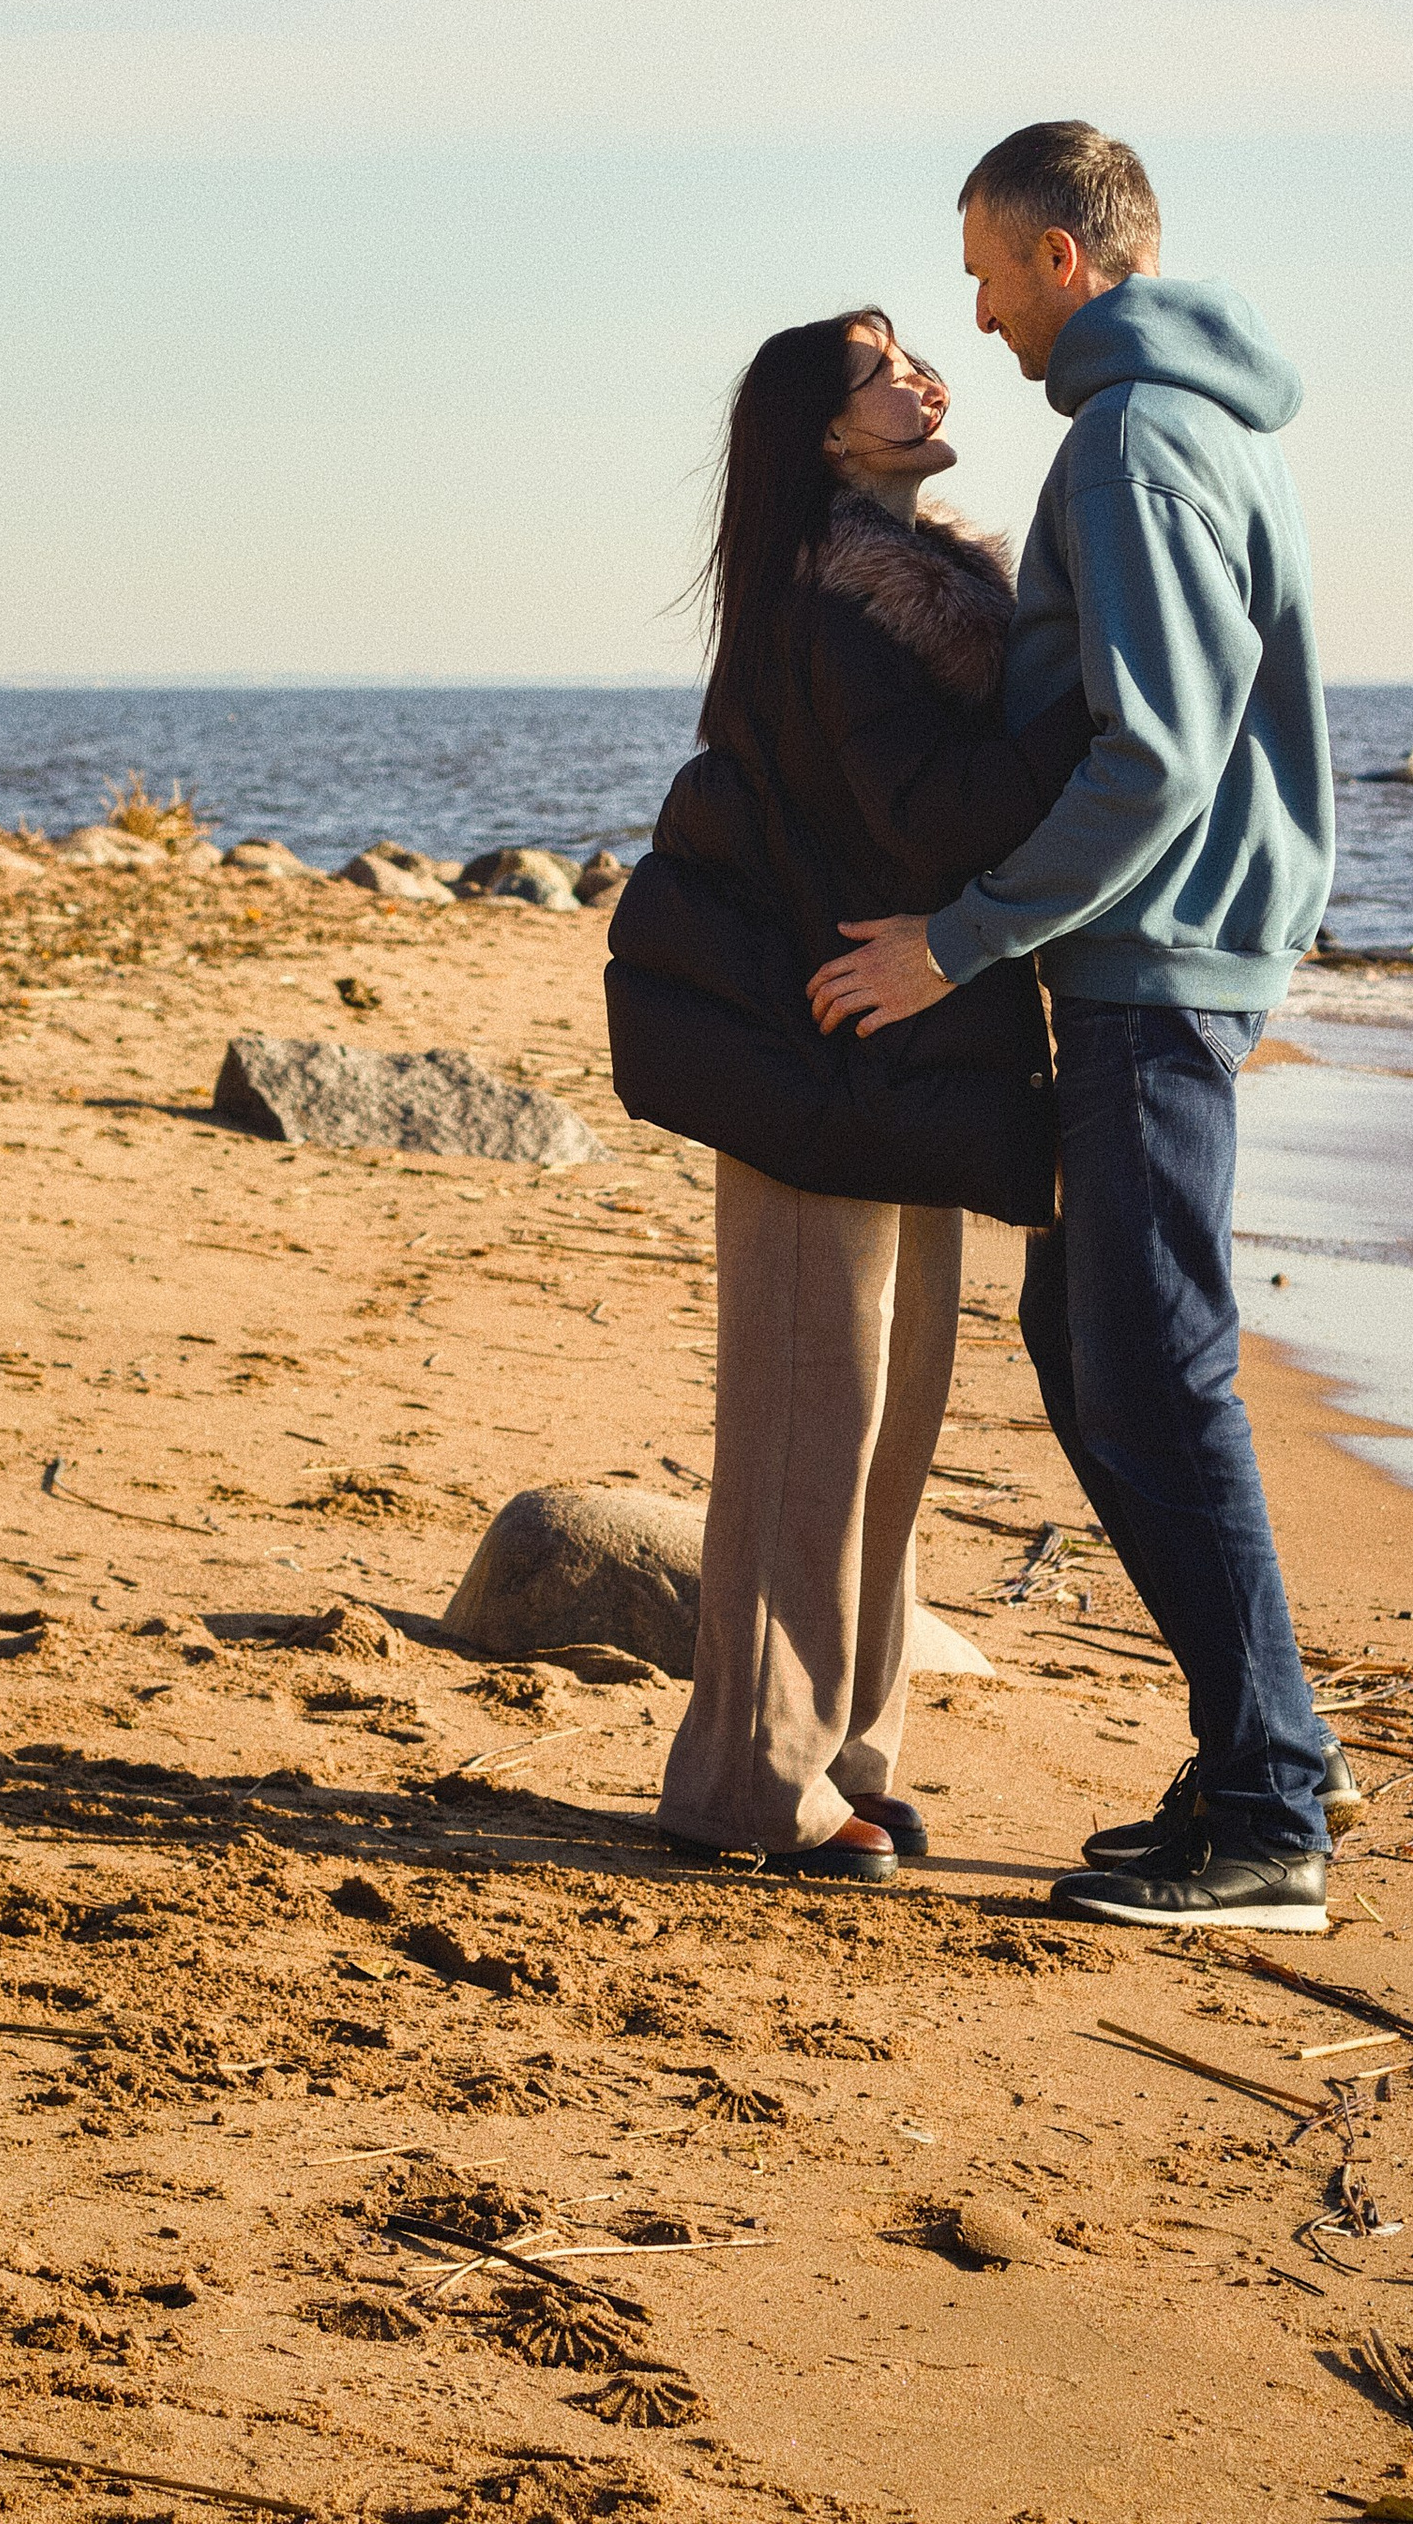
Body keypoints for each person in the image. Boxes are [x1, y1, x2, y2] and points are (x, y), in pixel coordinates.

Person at [808, 123, 1343, 1934]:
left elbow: (1158, 757)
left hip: (1154, 971)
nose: (973, 308)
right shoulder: (1174, 429)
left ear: (1063, 257)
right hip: (1150, 968)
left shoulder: (1131, 445)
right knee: (1094, 1339)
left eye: (982, 267)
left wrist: (957, 943)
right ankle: (1254, 1757)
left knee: (1154, 1362)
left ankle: (1273, 1805)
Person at [605, 308, 1092, 1883]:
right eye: (883, 369)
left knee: (887, 1431)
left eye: (918, 357)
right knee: (814, 1428)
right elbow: (927, 814)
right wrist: (1095, 738)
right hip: (821, 1064)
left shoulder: (922, 597)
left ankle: (848, 1753)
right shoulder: (840, 608)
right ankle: (751, 1777)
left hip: (899, 1065)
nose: (925, 376)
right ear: (823, 435)